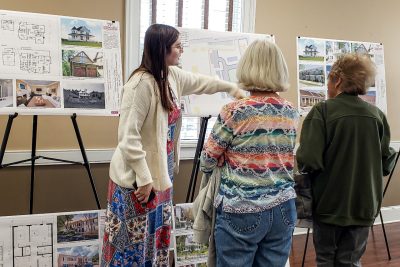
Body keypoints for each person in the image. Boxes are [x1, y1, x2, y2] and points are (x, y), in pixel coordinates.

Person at [100, 24, 244, 267]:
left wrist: (232, 89)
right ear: (162, 49)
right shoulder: (140, 85)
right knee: (131, 245)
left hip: (160, 174)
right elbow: (128, 137)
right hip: (137, 180)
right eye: (178, 46)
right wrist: (144, 179)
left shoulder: (170, 76)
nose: (181, 51)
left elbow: (202, 83)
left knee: (154, 241)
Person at [200, 40, 299, 267]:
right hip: (284, 206)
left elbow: (207, 160)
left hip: (241, 209)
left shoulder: (235, 110)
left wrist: (225, 156)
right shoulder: (292, 111)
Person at [296, 53, 397, 266]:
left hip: (329, 205)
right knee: (351, 261)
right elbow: (386, 162)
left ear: (338, 80)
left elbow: (308, 160)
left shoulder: (322, 111)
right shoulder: (377, 115)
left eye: (329, 80)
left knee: (325, 259)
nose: (328, 86)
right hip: (364, 206)